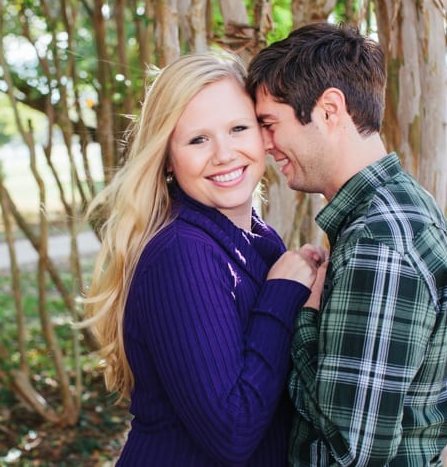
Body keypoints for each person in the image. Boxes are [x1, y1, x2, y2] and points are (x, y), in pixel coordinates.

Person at [83, 51, 327, 466]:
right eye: (198, 139)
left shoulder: (255, 238)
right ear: (167, 159)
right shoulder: (182, 253)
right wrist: (281, 298)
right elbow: (232, 432)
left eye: (237, 128)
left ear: (263, 135)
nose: (224, 153)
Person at [246, 22, 447, 466]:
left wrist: (304, 314)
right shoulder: (398, 208)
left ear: (329, 109)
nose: (264, 145)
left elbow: (353, 455)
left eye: (270, 124)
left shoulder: (378, 242)